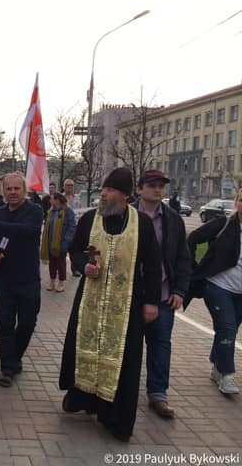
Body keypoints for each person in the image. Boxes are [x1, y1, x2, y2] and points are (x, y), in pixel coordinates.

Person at [59, 167, 162, 442]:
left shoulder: (141, 223)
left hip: (127, 304)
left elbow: (152, 265)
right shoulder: (90, 219)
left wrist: (152, 302)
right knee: (85, 346)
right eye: (103, 189)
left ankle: (112, 415)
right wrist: (83, 266)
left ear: (125, 196)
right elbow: (75, 250)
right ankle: (82, 397)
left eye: (111, 190)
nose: (104, 193)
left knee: (123, 360)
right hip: (90, 301)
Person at [0, 172, 43, 388]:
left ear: (24, 190)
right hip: (4, 278)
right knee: (5, 323)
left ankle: (14, 357)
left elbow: (28, 231)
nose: (13, 192)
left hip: (28, 278)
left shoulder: (35, 211)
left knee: (27, 323)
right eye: (8, 189)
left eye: (17, 189)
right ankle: (7, 367)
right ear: (3, 191)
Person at [134, 170, 191, 417]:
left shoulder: (172, 219)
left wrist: (180, 290)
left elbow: (183, 257)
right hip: (132, 294)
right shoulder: (128, 215)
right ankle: (118, 391)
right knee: (128, 347)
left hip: (164, 295)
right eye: (151, 185)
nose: (157, 190)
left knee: (160, 346)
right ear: (139, 189)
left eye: (161, 186)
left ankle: (158, 394)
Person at [186, 189, 242, 395]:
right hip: (218, 287)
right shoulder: (224, 224)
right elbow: (192, 238)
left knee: (229, 329)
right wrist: (194, 267)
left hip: (240, 293)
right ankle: (227, 375)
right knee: (227, 328)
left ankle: (217, 367)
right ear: (236, 202)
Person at [40, 192, 76, 292]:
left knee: (61, 263)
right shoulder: (51, 212)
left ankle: (61, 282)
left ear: (57, 200)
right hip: (50, 242)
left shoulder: (68, 211)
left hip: (62, 242)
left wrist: (66, 242)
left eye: (51, 199)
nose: (50, 201)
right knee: (52, 263)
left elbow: (72, 228)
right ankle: (52, 281)